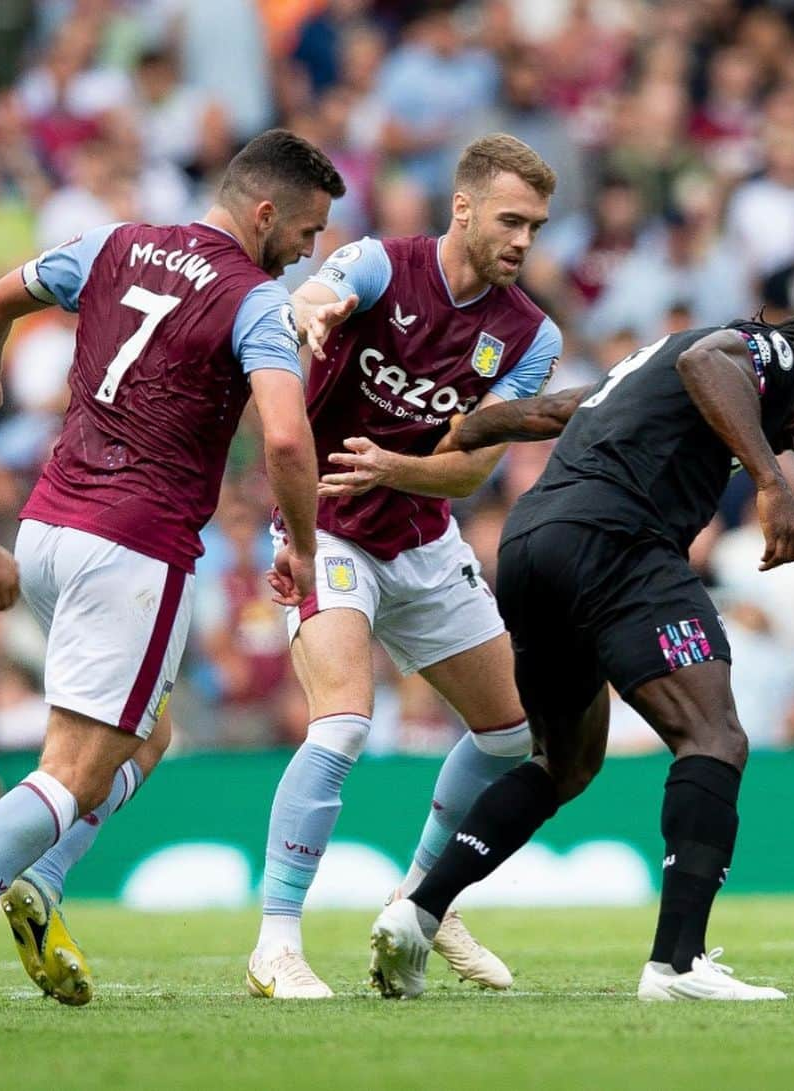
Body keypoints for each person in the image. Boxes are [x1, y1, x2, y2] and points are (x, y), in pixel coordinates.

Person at [370, 314, 794, 1001]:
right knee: (713, 736)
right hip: (617, 537)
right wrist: (772, 483)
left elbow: (556, 408)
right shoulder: (757, 351)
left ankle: (417, 912)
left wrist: (467, 429)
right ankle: (677, 965)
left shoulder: (647, 364)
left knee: (564, 764)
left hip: (532, 546)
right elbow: (710, 360)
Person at [0, 128, 346, 1005]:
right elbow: (288, 436)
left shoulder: (110, 242)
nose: (308, 250)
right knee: (71, 769)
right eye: (306, 230)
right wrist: (301, 541)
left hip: (48, 529)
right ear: (264, 211)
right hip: (134, 543)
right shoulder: (254, 300)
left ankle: (44, 876)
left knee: (148, 732)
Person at [243, 132, 562, 1000]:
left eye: (535, 226)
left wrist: (397, 468)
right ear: (462, 208)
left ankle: (422, 898)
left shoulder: (530, 334)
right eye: (510, 220)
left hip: (421, 537)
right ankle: (275, 942)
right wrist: (311, 311)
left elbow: (468, 469)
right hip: (327, 528)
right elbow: (322, 288)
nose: (524, 240)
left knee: (513, 733)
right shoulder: (384, 264)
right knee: (343, 722)